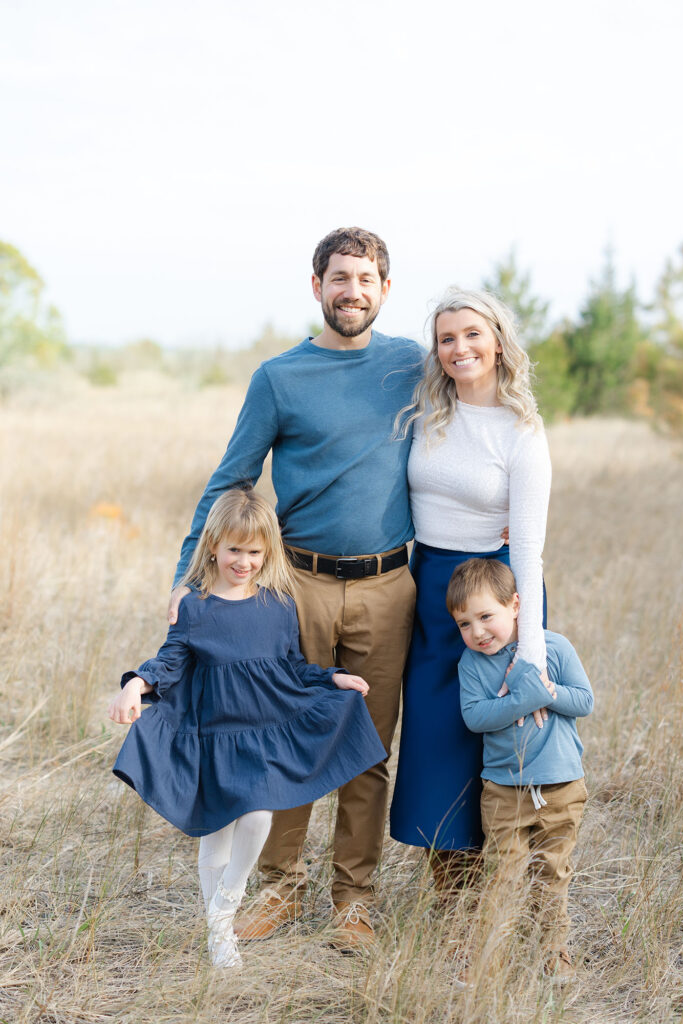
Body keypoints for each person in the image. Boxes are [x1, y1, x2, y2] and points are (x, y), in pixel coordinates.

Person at [167, 228, 423, 949]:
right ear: (317, 286)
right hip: (297, 585)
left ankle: (355, 902)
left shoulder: (411, 363)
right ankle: (279, 887)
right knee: (284, 740)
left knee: (368, 748)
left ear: (385, 289)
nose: (353, 291)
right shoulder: (280, 377)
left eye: (366, 279)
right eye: (339, 278)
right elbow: (232, 479)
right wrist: (191, 578)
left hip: (388, 585)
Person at [108, 488, 385, 968]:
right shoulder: (194, 607)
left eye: (255, 552)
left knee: (257, 817)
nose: (244, 561)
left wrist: (331, 676)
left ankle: (224, 910)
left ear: (267, 552)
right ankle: (220, 937)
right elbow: (170, 661)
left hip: (261, 732)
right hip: (215, 734)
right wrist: (137, 684)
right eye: (235, 550)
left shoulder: (277, 604)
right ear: (213, 544)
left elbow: (292, 666)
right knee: (216, 834)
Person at [389, 288, 552, 892]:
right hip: (430, 588)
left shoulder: (522, 433)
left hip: (494, 591)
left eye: (472, 334)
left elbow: (530, 548)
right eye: (447, 339)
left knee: (498, 740)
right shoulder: (424, 414)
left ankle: (512, 886)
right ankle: (451, 894)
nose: (460, 348)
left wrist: (530, 656)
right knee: (435, 738)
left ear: (499, 341)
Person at [447, 557, 593, 980]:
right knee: (503, 875)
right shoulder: (472, 664)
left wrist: (543, 689)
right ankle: (490, 958)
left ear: (516, 605)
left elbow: (584, 702)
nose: (477, 632)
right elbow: (476, 717)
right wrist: (525, 698)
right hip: (504, 789)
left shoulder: (554, 647)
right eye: (464, 624)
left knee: (552, 871)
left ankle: (554, 952)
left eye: (486, 616)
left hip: (561, 784)